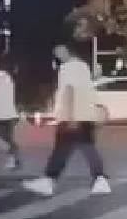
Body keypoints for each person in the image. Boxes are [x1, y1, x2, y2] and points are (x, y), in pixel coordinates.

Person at [23, 43, 110, 196]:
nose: (58, 56)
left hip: (71, 116)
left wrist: (70, 116)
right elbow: (88, 90)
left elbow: (69, 90)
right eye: (56, 53)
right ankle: (100, 181)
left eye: (60, 52)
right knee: (82, 149)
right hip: (85, 114)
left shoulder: (67, 68)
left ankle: (49, 181)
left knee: (63, 150)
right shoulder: (84, 67)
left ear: (68, 51)